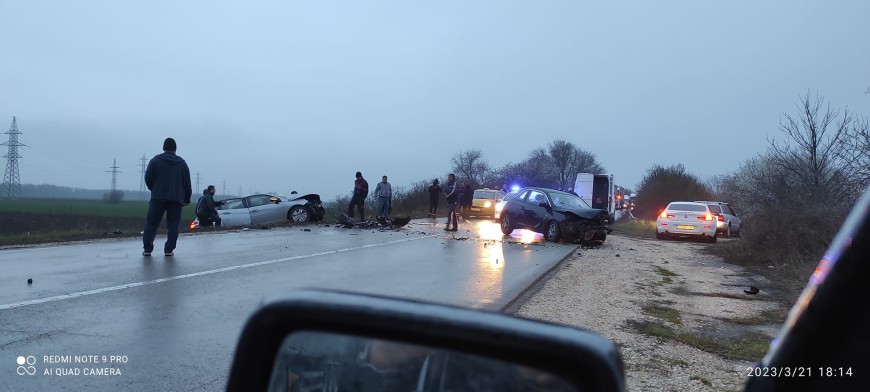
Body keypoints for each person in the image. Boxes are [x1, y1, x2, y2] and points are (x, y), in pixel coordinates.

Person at [142, 137, 192, 257]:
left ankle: (147, 249)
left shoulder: (155, 161)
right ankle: (169, 250)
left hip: (157, 198)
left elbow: (148, 178)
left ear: (163, 148)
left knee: (151, 224)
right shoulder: (182, 163)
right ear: (175, 149)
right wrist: (186, 198)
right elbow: (187, 183)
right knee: (173, 225)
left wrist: (154, 189)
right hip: (176, 199)